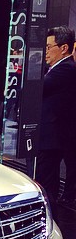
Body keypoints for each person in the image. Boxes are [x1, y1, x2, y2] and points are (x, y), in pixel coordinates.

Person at [35, 25, 76, 209]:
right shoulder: (57, 68)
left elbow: (37, 89)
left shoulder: (66, 69)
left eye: (49, 47)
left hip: (54, 137)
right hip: (50, 135)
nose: (46, 52)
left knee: (46, 183)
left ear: (64, 48)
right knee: (45, 180)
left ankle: (49, 221)